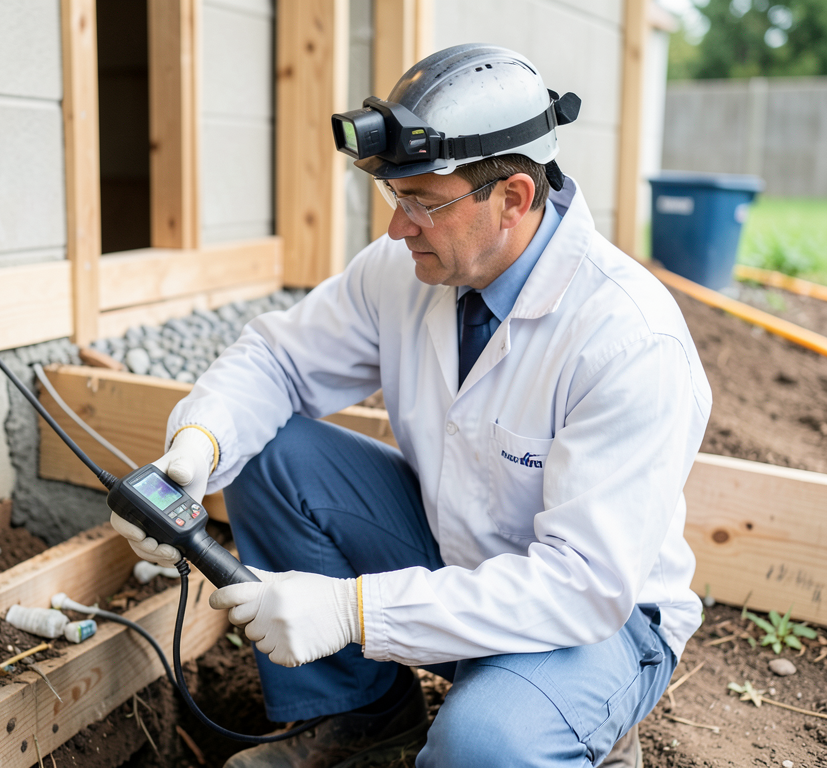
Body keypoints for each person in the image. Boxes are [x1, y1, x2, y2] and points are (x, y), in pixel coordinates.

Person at [111, 44, 712, 768]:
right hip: (455, 552)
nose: (399, 228)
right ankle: (362, 717)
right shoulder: (409, 270)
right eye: (396, 200)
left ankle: (573, 720)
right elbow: (278, 360)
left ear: (515, 198)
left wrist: (349, 611)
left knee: (480, 747)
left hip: (597, 621)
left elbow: (582, 586)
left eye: (423, 203)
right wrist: (199, 447)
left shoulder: (626, 340)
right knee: (266, 452)